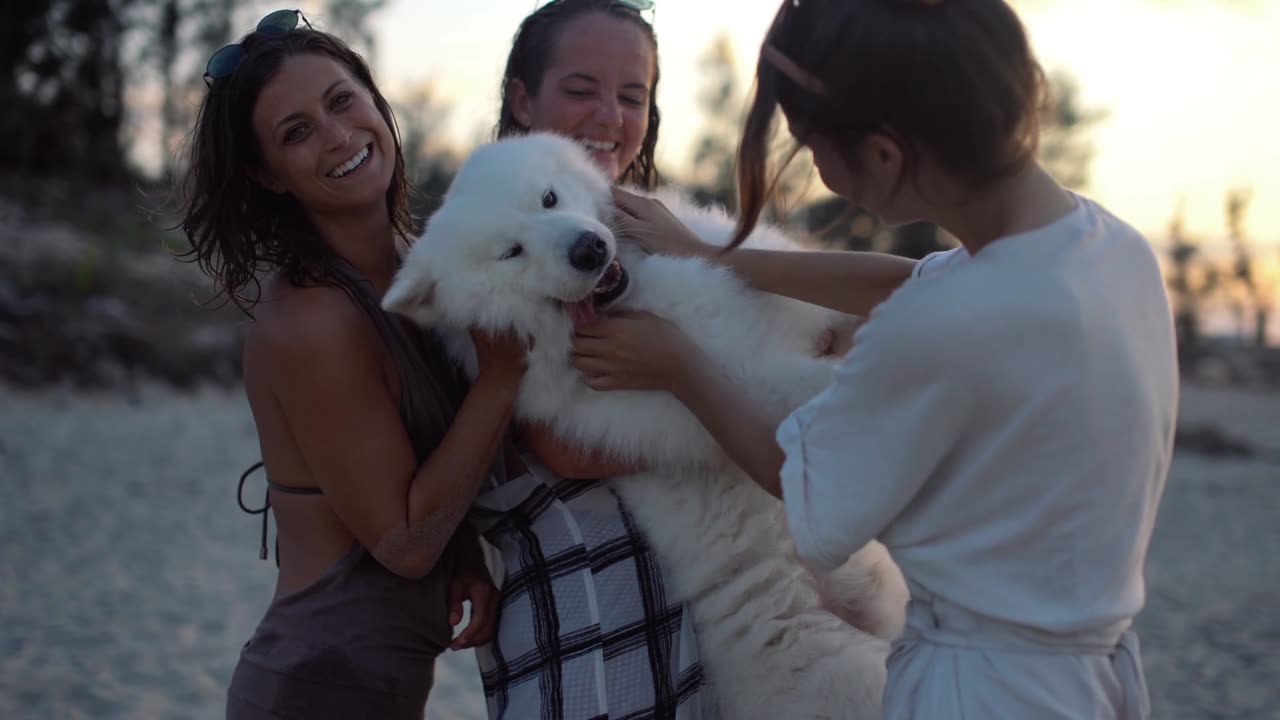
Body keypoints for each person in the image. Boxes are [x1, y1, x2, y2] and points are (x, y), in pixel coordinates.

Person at [571, 1, 1177, 718]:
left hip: (982, 688)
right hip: (1094, 680)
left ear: (885, 154)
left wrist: (679, 366)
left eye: (812, 146)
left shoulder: (942, 327)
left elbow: (799, 480)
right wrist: (711, 255)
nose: (819, 172)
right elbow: (906, 282)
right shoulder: (1109, 251)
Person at [175, 12, 524, 719]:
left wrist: (462, 552)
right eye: (296, 133)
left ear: (373, 100)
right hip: (316, 683)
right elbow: (400, 543)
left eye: (342, 101)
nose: (337, 137)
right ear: (267, 175)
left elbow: (407, 470)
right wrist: (501, 377)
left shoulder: (414, 263)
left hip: (375, 683)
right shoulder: (312, 317)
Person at [467, 2, 710, 718]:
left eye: (632, 96)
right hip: (583, 631)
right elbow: (563, 445)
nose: (609, 115)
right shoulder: (491, 245)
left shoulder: (660, 232)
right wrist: (742, 412)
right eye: (581, 88)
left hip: (694, 621)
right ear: (521, 98)